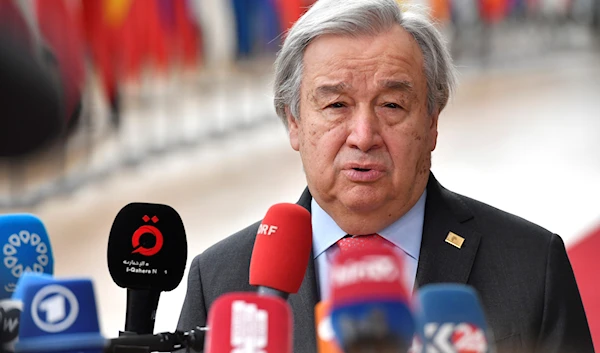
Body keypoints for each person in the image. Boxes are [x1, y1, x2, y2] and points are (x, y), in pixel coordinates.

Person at [176, 0, 594, 352]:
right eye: (336, 105)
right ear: (295, 124)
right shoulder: (220, 281)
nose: (363, 136)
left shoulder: (531, 266)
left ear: (432, 121)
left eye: (392, 105)